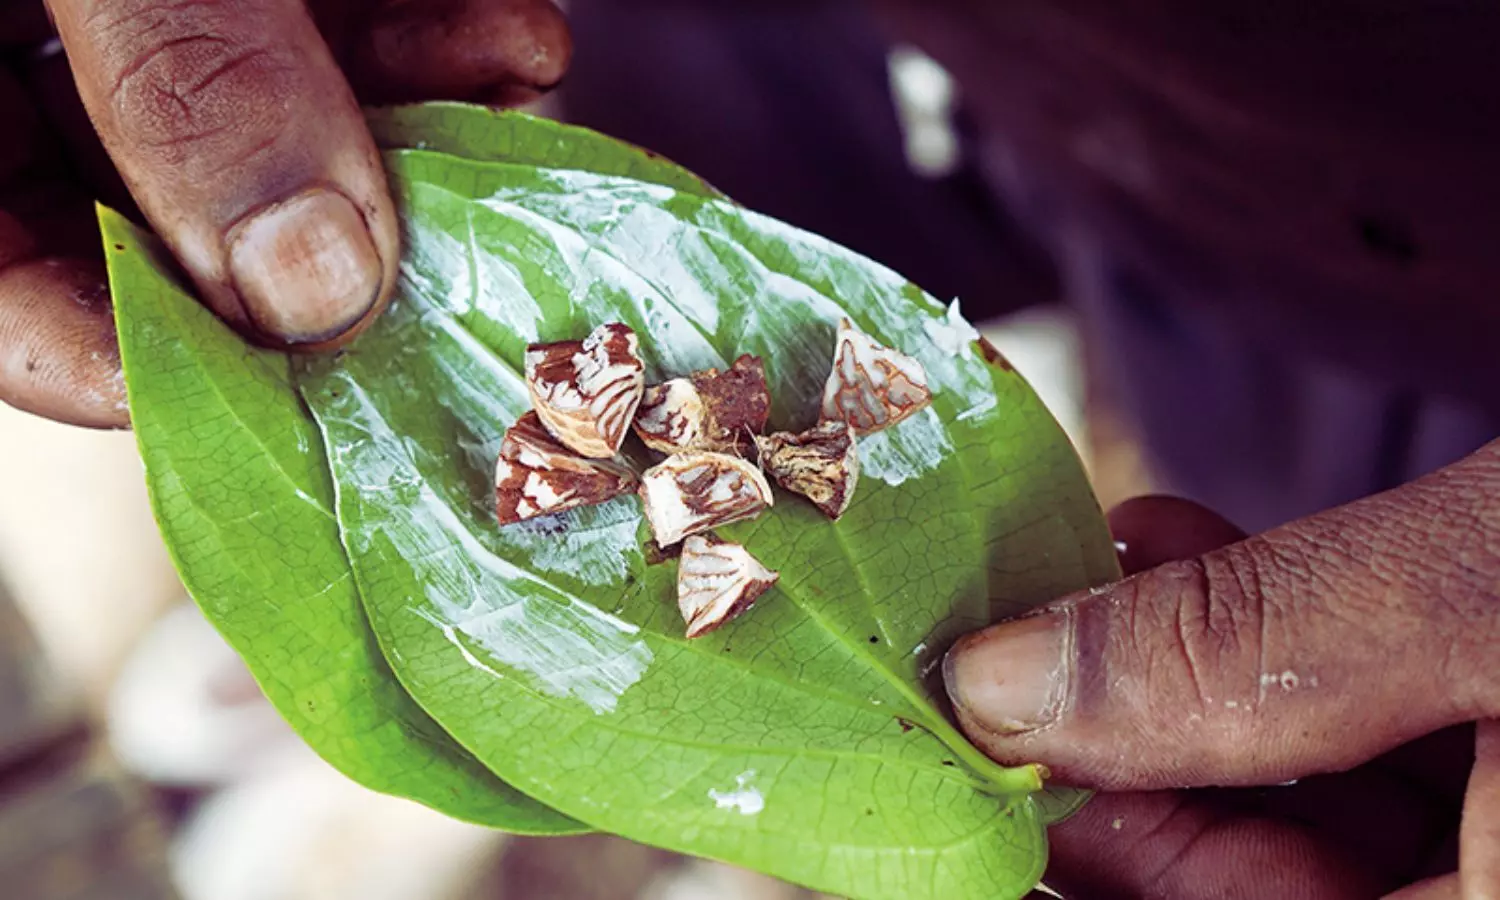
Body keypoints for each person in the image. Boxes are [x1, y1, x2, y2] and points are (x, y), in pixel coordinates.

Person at [0, 2, 1494, 897]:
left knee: (1285, 507)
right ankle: (426, 624)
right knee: (705, 166)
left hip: (1384, 197)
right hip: (873, 43)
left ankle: (447, 637)